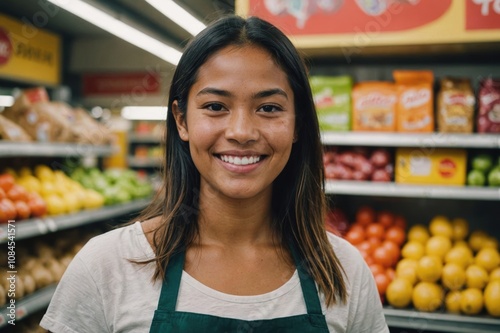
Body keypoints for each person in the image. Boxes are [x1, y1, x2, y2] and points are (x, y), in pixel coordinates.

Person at [40, 15, 389, 332]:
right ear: (181, 120)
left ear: (298, 124)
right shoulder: (109, 267)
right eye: (215, 107)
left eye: (268, 108)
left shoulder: (343, 271)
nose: (241, 131)